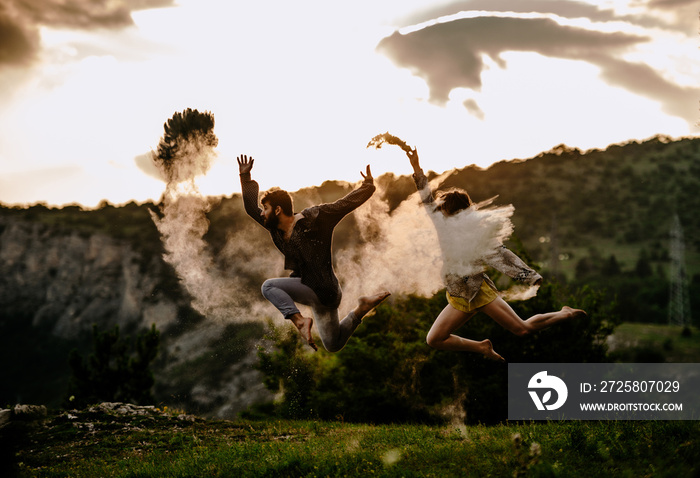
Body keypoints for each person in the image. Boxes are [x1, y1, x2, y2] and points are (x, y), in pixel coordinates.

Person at [405, 147, 586, 362]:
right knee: (434, 339)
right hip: (458, 297)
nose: (441, 215)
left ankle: (565, 313)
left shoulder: (476, 237)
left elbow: (503, 256)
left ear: (456, 214)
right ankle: (482, 347)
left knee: (522, 329)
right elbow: (427, 200)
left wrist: (529, 276)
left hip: (478, 292)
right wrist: (416, 167)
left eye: (445, 211)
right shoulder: (441, 224)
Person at [237, 155, 390, 352]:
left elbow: (344, 205)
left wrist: (367, 185)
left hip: (323, 289)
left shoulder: (316, 218)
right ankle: (361, 309)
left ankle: (300, 322)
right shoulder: (275, 229)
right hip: (321, 298)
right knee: (333, 344)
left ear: (277, 210)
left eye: (265, 209)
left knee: (268, 287)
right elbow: (251, 208)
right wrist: (245, 176)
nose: (261, 213)